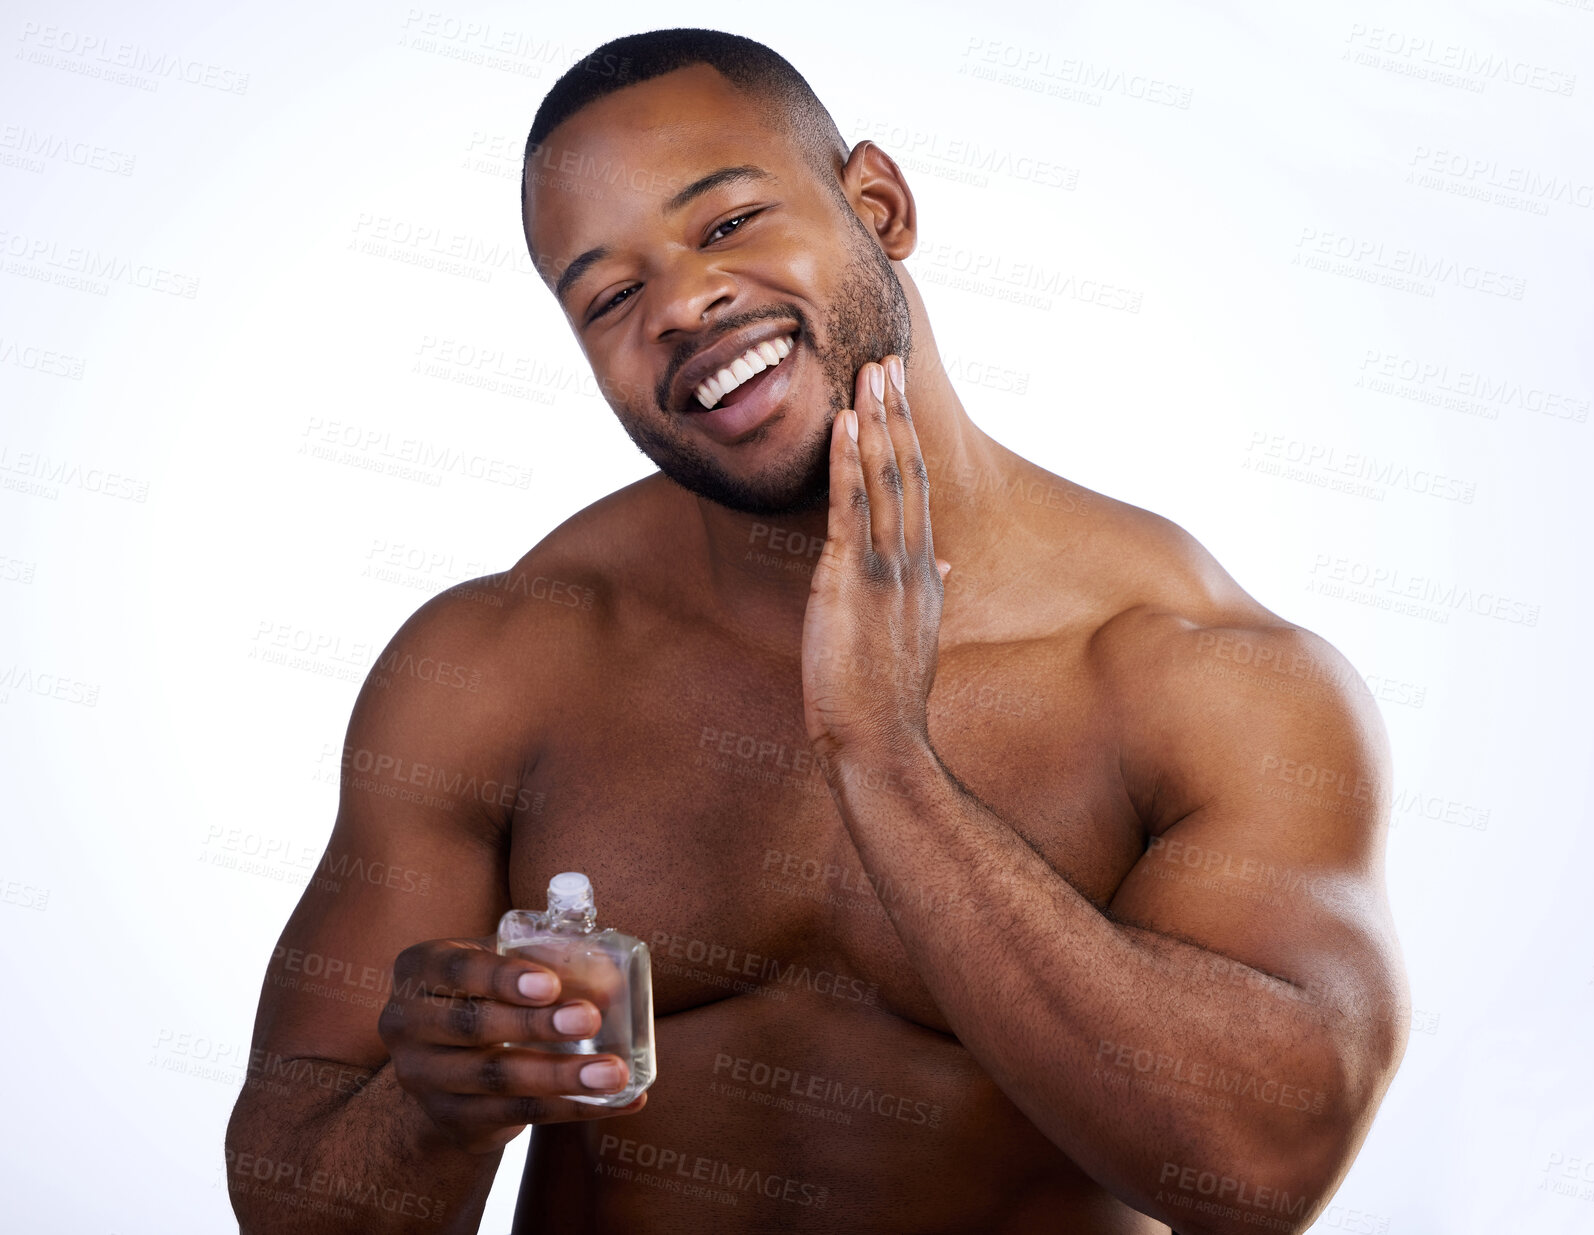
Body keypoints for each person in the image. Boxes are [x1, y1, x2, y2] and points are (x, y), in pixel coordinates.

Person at [226, 27, 1409, 1235]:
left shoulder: (1196, 675)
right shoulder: (502, 663)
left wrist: (883, 756)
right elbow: (295, 1207)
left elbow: (1263, 1169)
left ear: (877, 205)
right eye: (611, 295)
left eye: (727, 223)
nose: (684, 304)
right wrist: (436, 1107)